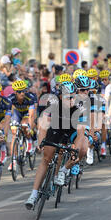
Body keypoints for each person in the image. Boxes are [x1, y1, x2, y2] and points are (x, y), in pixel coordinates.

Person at [24, 81, 88, 210]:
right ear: (60, 97)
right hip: (57, 128)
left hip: (72, 130)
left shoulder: (80, 108)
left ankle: (63, 171)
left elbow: (80, 134)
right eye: (67, 97)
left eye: (72, 96)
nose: (70, 100)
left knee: (82, 150)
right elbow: (43, 126)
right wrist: (41, 142)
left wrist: (74, 149)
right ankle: (33, 194)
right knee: (46, 159)